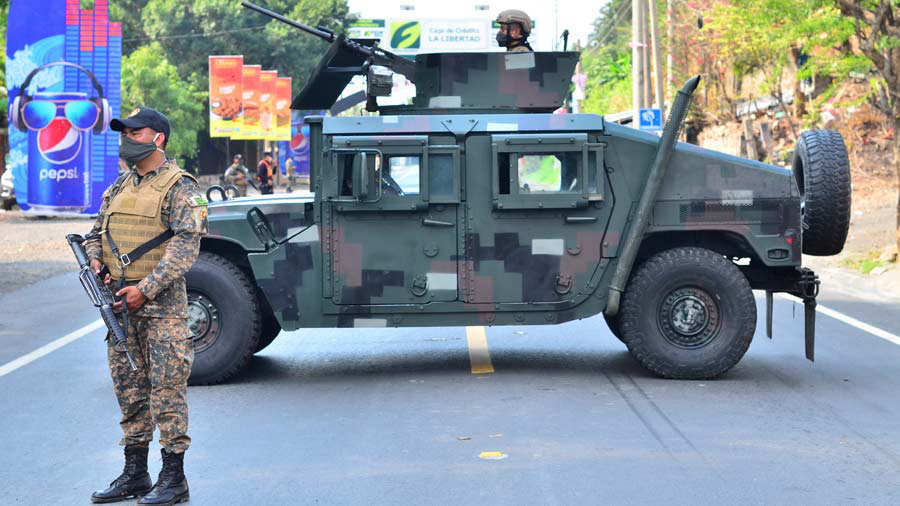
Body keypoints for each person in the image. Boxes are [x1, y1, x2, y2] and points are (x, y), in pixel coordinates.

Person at [84, 107, 207, 505]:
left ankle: (174, 480)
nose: (128, 138)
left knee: (166, 393)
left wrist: (147, 289)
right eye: (125, 132)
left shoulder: (181, 187)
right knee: (130, 392)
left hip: (162, 308)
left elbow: (186, 247)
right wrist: (96, 259)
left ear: (159, 138)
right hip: (121, 306)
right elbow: (94, 233)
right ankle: (135, 474)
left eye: (136, 132)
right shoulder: (119, 187)